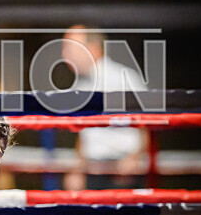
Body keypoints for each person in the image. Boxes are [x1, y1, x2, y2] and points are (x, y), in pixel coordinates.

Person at [60, 25, 149, 191]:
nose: (65, 55)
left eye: (70, 48)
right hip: (93, 170)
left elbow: (147, 123)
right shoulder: (81, 85)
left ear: (92, 48)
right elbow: (86, 132)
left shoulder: (123, 78)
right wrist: (77, 169)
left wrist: (134, 159)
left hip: (124, 170)